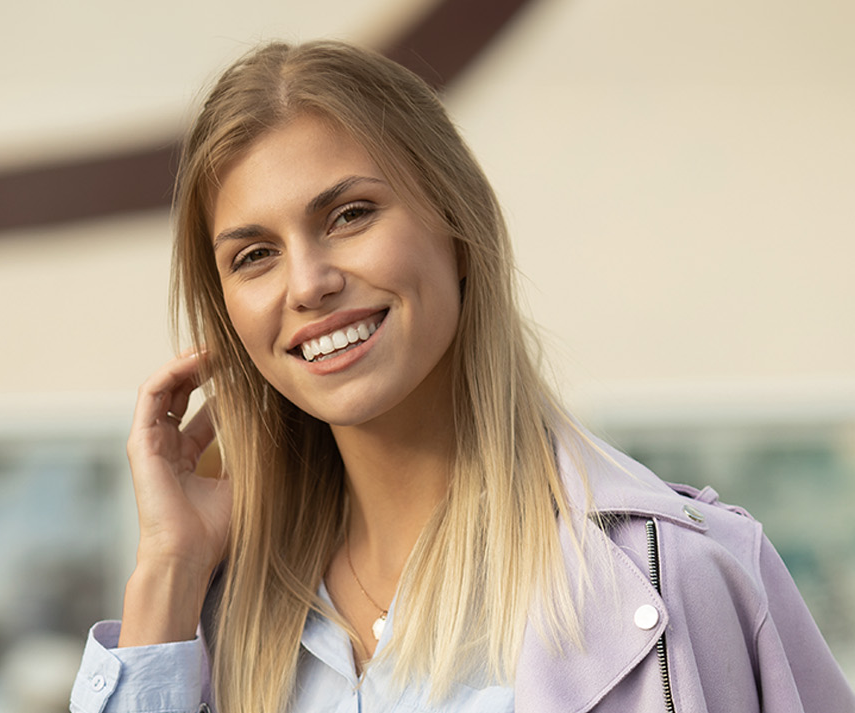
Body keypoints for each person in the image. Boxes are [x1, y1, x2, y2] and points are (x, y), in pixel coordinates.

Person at [69, 40, 855, 713]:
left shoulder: (682, 574)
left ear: (457, 227)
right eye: (254, 255)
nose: (307, 283)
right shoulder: (209, 625)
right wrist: (168, 570)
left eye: (349, 215)